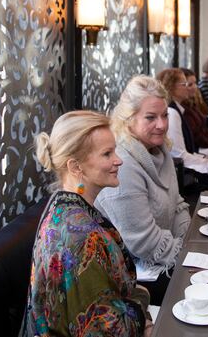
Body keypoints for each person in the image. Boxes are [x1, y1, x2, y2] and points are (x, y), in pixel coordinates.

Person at [21, 111, 152, 337]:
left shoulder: (63, 207)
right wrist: (142, 303)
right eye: (107, 154)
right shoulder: (80, 239)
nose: (118, 160)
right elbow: (107, 331)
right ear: (75, 167)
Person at [95, 76, 191, 305]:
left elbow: (177, 204)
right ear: (128, 119)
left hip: (165, 256)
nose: (162, 124)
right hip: (131, 276)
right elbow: (144, 242)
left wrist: (189, 242)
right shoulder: (123, 163)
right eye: (150, 117)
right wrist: (189, 257)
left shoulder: (158, 149)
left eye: (165, 115)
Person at [156, 68, 208, 177]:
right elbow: (178, 154)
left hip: (190, 164)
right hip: (185, 174)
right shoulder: (171, 113)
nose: (188, 88)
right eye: (184, 84)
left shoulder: (179, 109)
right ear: (171, 87)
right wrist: (207, 162)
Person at [180, 68, 208, 149]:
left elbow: (203, 130)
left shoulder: (192, 103)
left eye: (195, 83)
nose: (195, 87)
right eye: (190, 85)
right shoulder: (182, 108)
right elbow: (197, 138)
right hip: (200, 151)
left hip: (206, 146)